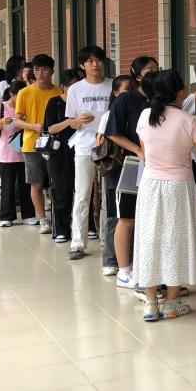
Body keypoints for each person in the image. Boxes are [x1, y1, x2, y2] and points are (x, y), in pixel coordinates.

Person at [134, 69, 196, 321]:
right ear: (179, 92)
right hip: (178, 187)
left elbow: (145, 153)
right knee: (175, 241)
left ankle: (151, 304)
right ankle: (171, 304)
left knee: (149, 239)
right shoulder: (190, 121)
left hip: (150, 185)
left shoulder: (145, 116)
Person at [106, 56, 158, 294]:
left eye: (156, 69)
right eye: (149, 70)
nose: (154, 73)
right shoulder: (126, 99)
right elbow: (112, 132)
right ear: (137, 76)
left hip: (152, 168)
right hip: (128, 166)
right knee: (126, 218)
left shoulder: (157, 100)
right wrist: (138, 150)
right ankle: (124, 271)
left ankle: (142, 268)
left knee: (145, 220)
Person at [64, 46, 112, 261]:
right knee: (82, 195)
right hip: (84, 147)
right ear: (82, 65)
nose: (95, 64)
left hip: (110, 148)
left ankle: (106, 240)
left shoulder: (112, 85)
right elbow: (71, 122)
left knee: (108, 195)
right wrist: (78, 121)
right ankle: (77, 242)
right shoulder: (75, 89)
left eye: (98, 60)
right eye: (90, 61)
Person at [14, 54, 62, 234]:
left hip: (55, 145)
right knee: (36, 183)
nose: (40, 73)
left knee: (57, 182)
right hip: (32, 145)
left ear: (52, 71)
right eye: (36, 70)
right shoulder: (24, 93)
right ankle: (43, 219)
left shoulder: (59, 92)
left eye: (44, 69)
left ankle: (60, 217)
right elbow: (17, 121)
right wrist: (33, 126)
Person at [96, 74, 134, 275]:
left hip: (134, 170)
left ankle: (128, 260)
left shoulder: (139, 111)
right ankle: (110, 260)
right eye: (126, 89)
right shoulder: (109, 115)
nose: (130, 93)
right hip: (115, 171)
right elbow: (100, 143)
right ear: (116, 93)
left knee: (129, 217)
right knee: (114, 216)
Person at [44, 69, 81, 244]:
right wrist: (69, 122)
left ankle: (87, 227)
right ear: (62, 86)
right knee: (61, 190)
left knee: (83, 190)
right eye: (70, 85)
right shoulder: (55, 102)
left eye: (77, 84)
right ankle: (61, 229)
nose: (74, 89)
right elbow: (50, 128)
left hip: (81, 149)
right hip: (60, 152)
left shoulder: (83, 101)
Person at [0, 81, 34, 226]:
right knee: (7, 185)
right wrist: (2, 122)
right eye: (18, 96)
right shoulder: (1, 108)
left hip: (25, 150)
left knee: (26, 185)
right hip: (6, 152)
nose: (21, 99)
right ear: (12, 94)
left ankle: (28, 215)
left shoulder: (27, 107)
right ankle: (6, 217)